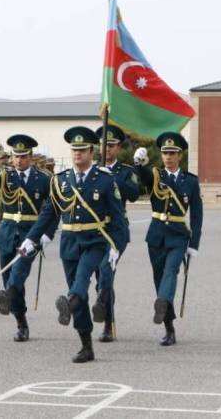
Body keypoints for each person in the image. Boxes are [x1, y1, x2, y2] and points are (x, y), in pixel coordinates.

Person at [21, 126, 127, 363]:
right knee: (78, 298)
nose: (77, 154)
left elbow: (119, 221)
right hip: (69, 243)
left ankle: (68, 301)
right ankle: (85, 344)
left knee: (79, 285)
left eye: (82, 150)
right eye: (74, 150)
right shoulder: (60, 181)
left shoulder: (105, 181)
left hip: (94, 241)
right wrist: (31, 239)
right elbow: (48, 214)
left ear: (91, 152)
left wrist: (115, 248)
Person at [0, 135, 53, 342]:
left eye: (23, 156)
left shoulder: (43, 179)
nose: (18, 160)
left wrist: (48, 233)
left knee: (18, 275)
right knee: (8, 278)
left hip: (31, 234)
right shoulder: (5, 176)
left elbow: (54, 208)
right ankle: (21, 321)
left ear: (30, 157)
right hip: (8, 233)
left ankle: (8, 295)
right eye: (15, 156)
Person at [133, 132, 203, 347]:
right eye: (165, 153)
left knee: (170, 271)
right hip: (156, 235)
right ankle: (169, 327)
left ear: (180, 155)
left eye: (172, 153)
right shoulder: (156, 176)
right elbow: (144, 177)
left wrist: (194, 245)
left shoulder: (190, 181)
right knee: (158, 278)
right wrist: (137, 163)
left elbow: (197, 214)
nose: (168, 157)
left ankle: (162, 301)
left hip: (178, 235)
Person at [93, 124, 140, 342]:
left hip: (116, 231)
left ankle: (108, 326)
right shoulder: (90, 170)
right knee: (99, 278)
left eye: (111, 145)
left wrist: (112, 177)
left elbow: (133, 194)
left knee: (106, 273)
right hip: (94, 231)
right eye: (104, 145)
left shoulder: (126, 172)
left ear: (118, 147)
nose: (106, 150)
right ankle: (105, 311)